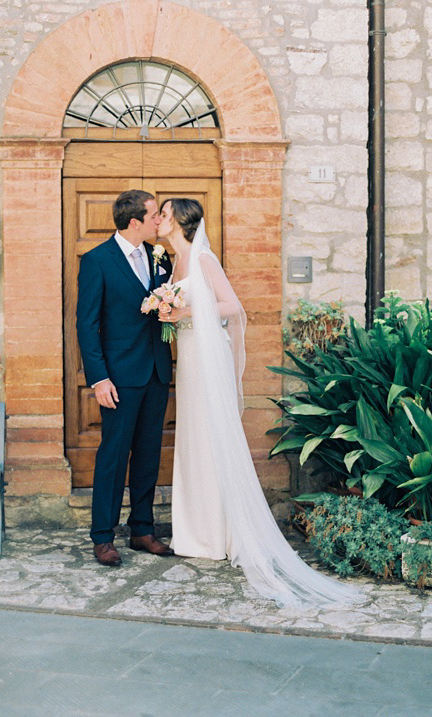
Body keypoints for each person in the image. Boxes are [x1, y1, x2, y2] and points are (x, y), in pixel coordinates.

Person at [156, 198, 363, 608]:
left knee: (212, 437)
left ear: (179, 221)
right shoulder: (174, 262)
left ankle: (221, 533)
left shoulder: (203, 260)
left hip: (205, 360)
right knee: (194, 440)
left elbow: (233, 306)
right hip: (190, 358)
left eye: (164, 214)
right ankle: (197, 530)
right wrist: (172, 311)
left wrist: (185, 310)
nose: (158, 219)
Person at [76, 189, 176, 567]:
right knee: (114, 456)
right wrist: (99, 379)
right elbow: (87, 325)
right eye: (153, 215)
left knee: (150, 452)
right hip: (117, 377)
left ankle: (142, 530)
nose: (158, 221)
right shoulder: (97, 260)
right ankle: (103, 536)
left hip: (155, 371)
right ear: (135, 222)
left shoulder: (159, 256)